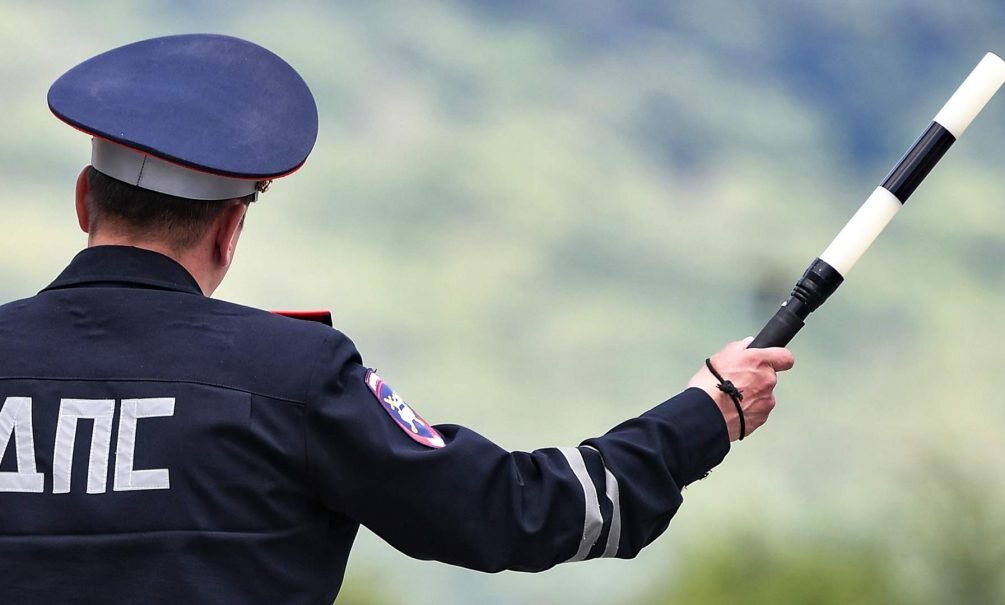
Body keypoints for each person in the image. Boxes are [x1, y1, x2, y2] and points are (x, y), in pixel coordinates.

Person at [0, 34, 794, 604]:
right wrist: (707, 412)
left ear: (84, 199)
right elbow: (514, 514)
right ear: (229, 229)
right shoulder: (294, 375)